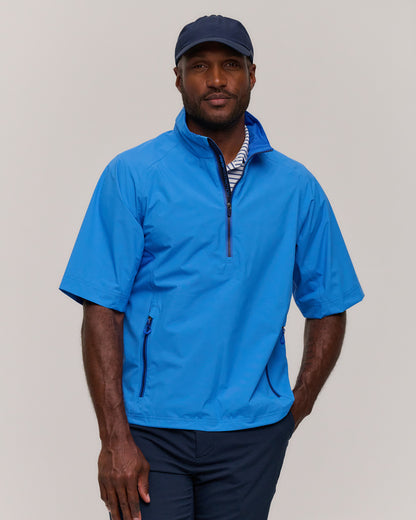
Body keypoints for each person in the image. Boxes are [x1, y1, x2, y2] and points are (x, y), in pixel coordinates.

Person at [60, 14, 364, 520]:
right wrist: (114, 438)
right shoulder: (132, 175)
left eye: (231, 65)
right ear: (178, 77)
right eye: (199, 66)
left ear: (251, 75)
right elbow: (101, 309)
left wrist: (293, 409)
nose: (217, 79)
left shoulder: (296, 187)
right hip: (151, 429)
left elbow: (329, 302)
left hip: (252, 433)